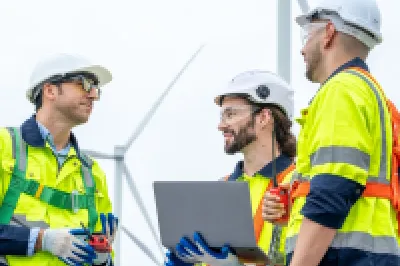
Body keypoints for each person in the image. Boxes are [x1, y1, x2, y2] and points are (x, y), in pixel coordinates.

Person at [263, 0, 400, 265]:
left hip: (343, 257)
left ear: (328, 33)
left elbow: (334, 189)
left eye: (307, 35)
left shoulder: (341, 91)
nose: (302, 48)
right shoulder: (366, 92)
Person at [164, 70, 297, 266]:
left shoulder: (298, 184)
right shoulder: (220, 190)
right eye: (222, 115)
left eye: (231, 114)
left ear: (264, 117)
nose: (220, 125)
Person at [0, 53, 118, 266]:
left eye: (95, 89)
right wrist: (39, 240)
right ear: (50, 90)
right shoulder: (4, 147)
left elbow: (104, 254)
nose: (93, 95)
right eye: (84, 84)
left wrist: (102, 258)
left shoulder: (92, 173)